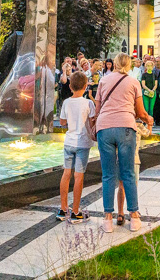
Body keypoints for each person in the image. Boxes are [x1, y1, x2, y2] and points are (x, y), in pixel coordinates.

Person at [95, 53, 153, 234]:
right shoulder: (133, 82)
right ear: (128, 65)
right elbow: (141, 112)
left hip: (104, 128)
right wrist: (149, 120)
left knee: (107, 175)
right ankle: (134, 216)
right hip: (126, 127)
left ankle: (107, 219)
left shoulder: (103, 80)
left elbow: (97, 109)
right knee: (127, 173)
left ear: (114, 64)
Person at [57, 71, 94, 223]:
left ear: (70, 86)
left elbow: (62, 122)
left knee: (66, 174)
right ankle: (76, 212)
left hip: (69, 142)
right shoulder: (88, 103)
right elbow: (92, 123)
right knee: (79, 176)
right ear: (86, 87)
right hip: (83, 143)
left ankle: (63, 209)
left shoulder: (66, 102)